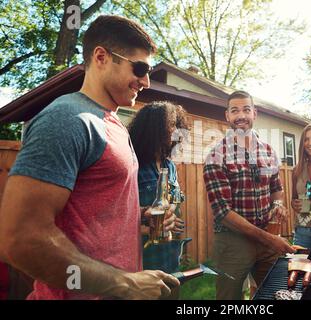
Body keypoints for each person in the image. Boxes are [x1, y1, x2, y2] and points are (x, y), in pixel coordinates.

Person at [0, 15, 179, 300]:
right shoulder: (67, 119)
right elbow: (20, 238)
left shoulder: (115, 125)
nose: (146, 81)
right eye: (140, 68)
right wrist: (126, 284)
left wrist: (139, 220)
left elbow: (93, 214)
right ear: (101, 57)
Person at [203, 90, 295, 300]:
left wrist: (278, 204)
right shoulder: (216, 156)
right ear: (227, 116)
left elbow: (276, 188)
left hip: (266, 236)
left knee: (277, 294)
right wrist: (271, 240)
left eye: (246, 109)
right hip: (233, 241)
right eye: (235, 110)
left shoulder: (269, 151)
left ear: (255, 113)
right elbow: (223, 213)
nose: (241, 115)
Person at [128, 101, 188, 274]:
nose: (177, 131)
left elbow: (176, 197)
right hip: (143, 262)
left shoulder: (169, 166)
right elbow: (118, 210)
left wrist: (171, 214)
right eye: (171, 125)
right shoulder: (132, 164)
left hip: (171, 258)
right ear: (154, 128)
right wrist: (147, 224)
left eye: (178, 125)